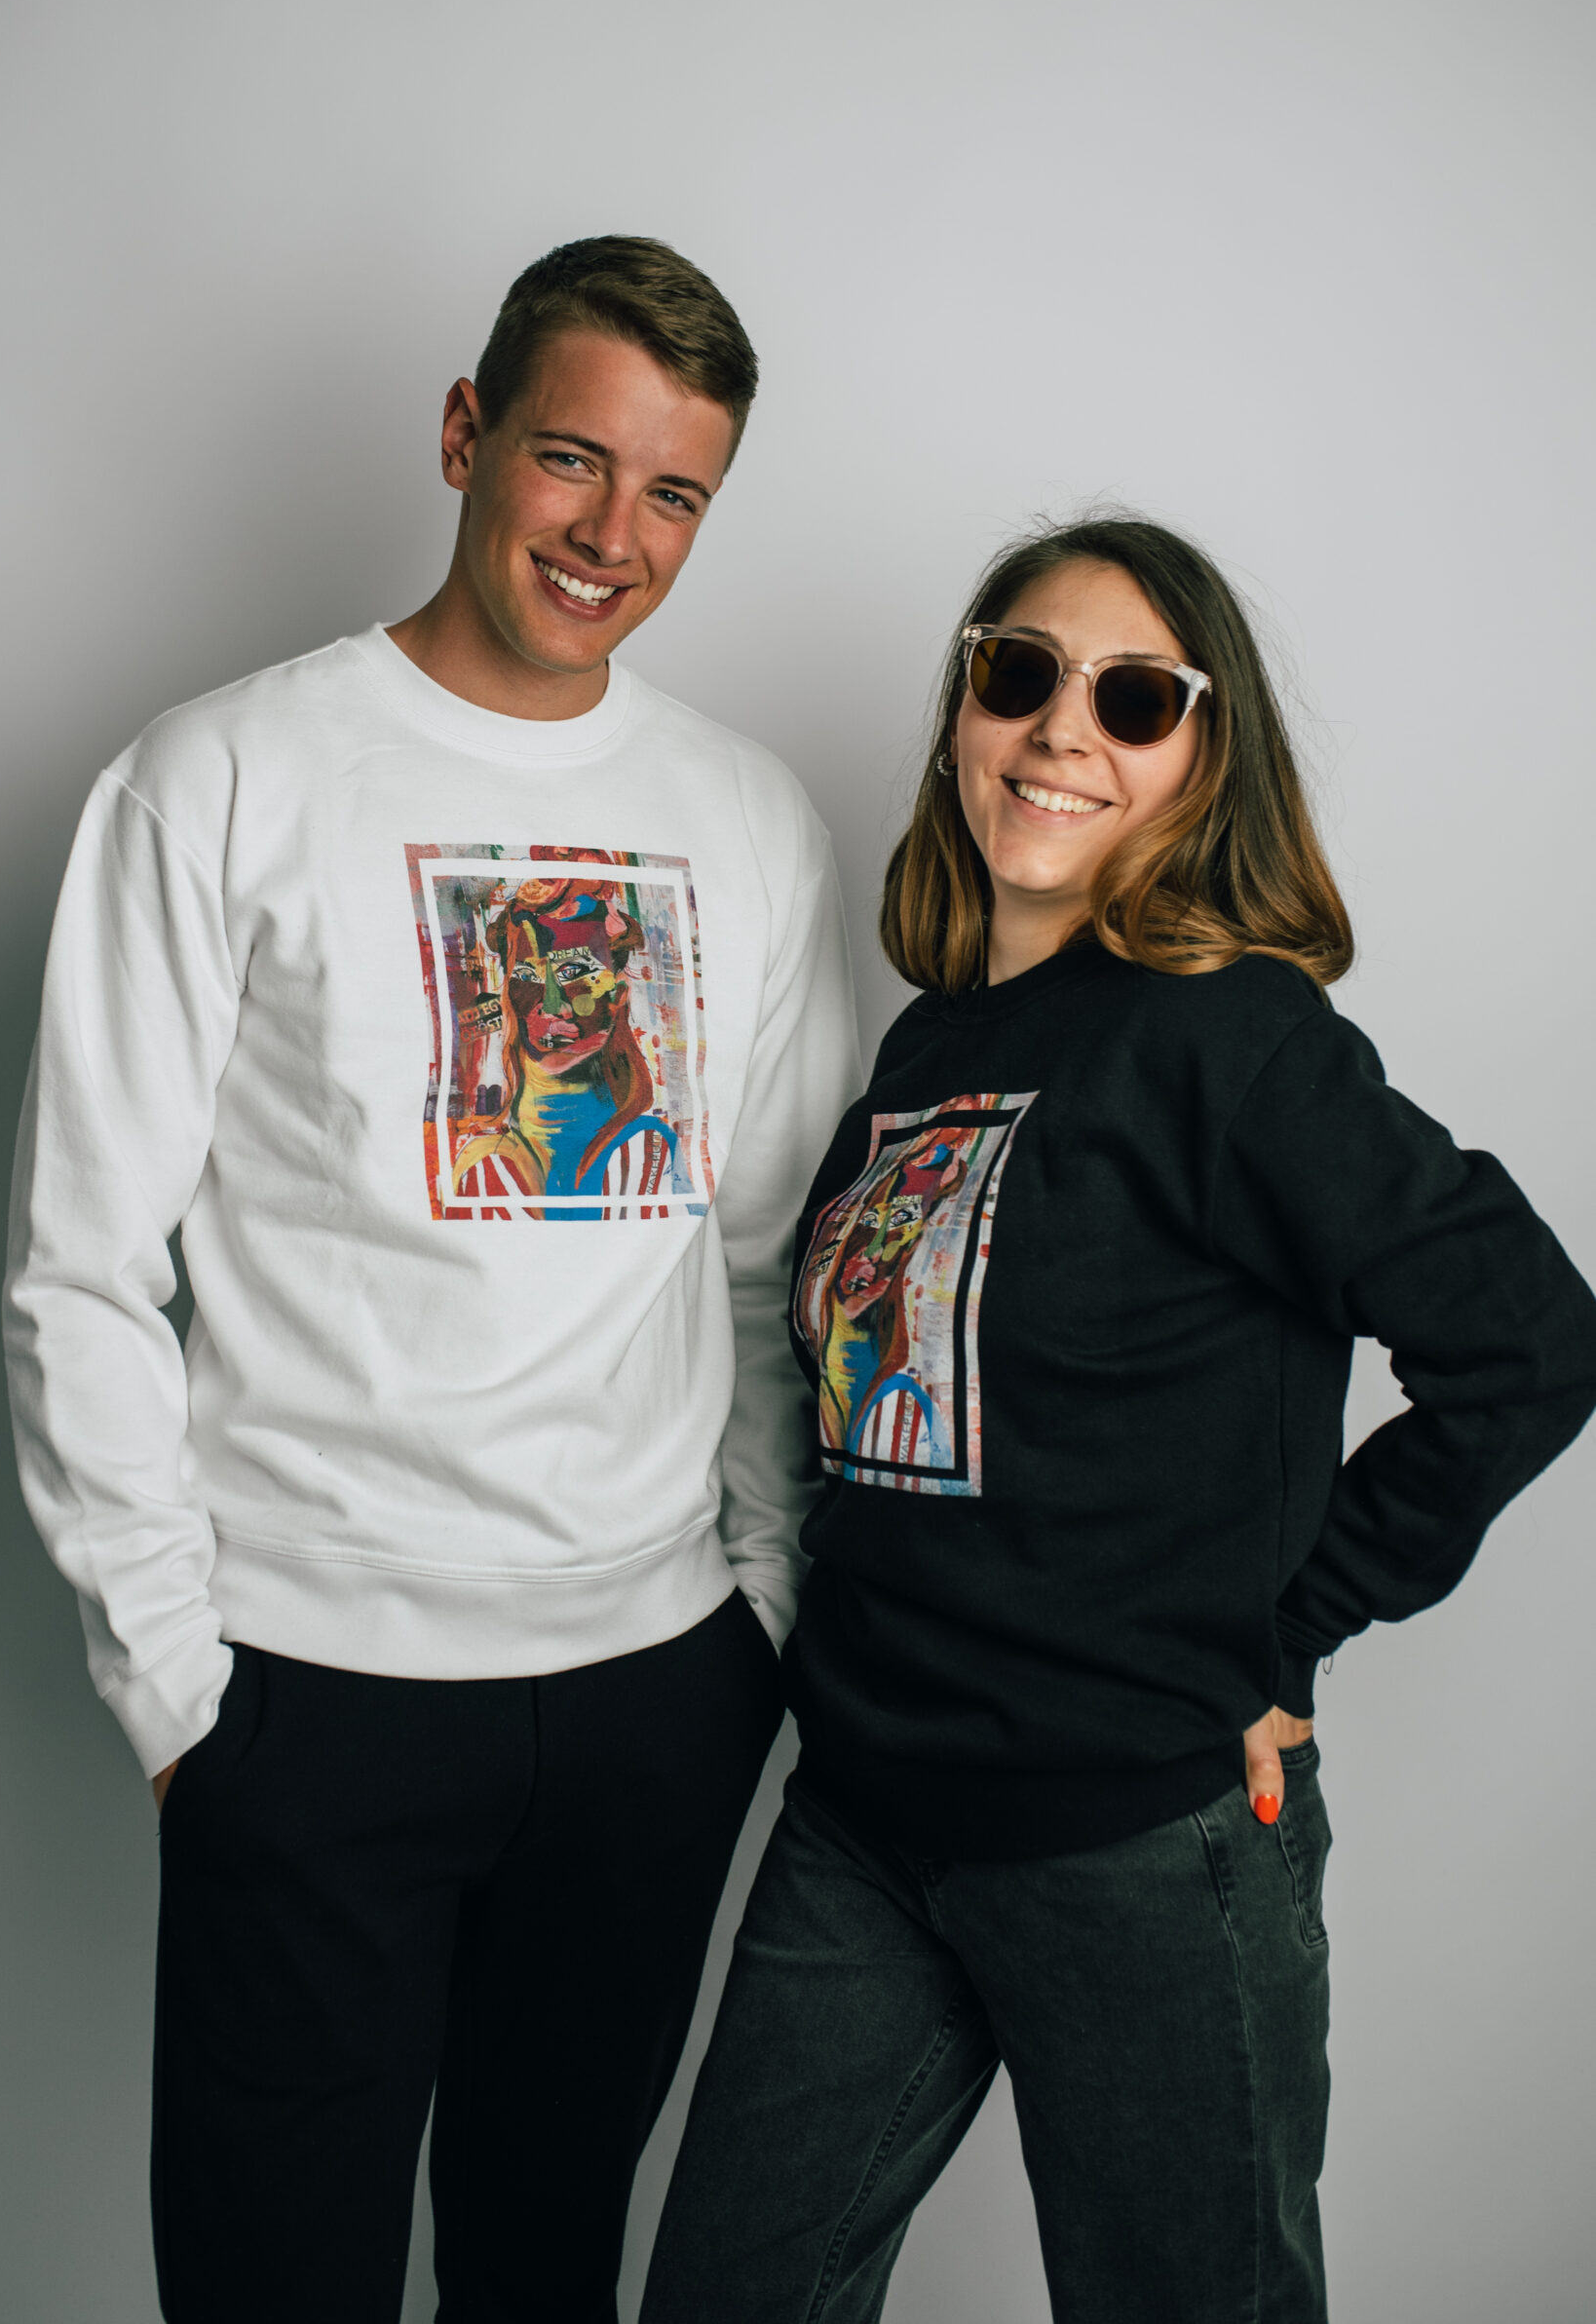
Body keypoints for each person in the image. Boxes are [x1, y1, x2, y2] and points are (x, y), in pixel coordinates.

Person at [2, 234, 859, 2322]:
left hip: (652, 1693)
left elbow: (776, 1259)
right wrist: (180, 1690)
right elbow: (82, 1268)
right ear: (467, 433)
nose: (614, 535)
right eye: (573, 458)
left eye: (675, 493)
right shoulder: (221, 778)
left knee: (544, 2273)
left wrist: (758, 1621)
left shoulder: (746, 817)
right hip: (311, 1699)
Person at [640, 516, 1596, 2324]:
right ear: (961, 714)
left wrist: (1284, 1633)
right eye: (1020, 674)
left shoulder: (1230, 1040)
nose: (1061, 729)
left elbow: (1529, 1343)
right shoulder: (928, 1044)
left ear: (1201, 759)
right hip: (859, 1817)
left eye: (1134, 698)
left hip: (1138, 1846)